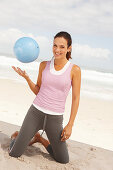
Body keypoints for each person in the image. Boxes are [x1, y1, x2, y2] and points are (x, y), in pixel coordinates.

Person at [9, 31, 81, 164]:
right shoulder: (44, 65)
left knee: (63, 159)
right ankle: (17, 137)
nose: (57, 50)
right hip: (35, 113)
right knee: (14, 153)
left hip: (55, 118)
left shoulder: (74, 70)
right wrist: (27, 78)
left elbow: (76, 99)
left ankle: (39, 139)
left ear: (69, 48)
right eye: (55, 45)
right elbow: (38, 90)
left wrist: (70, 125)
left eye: (62, 46)